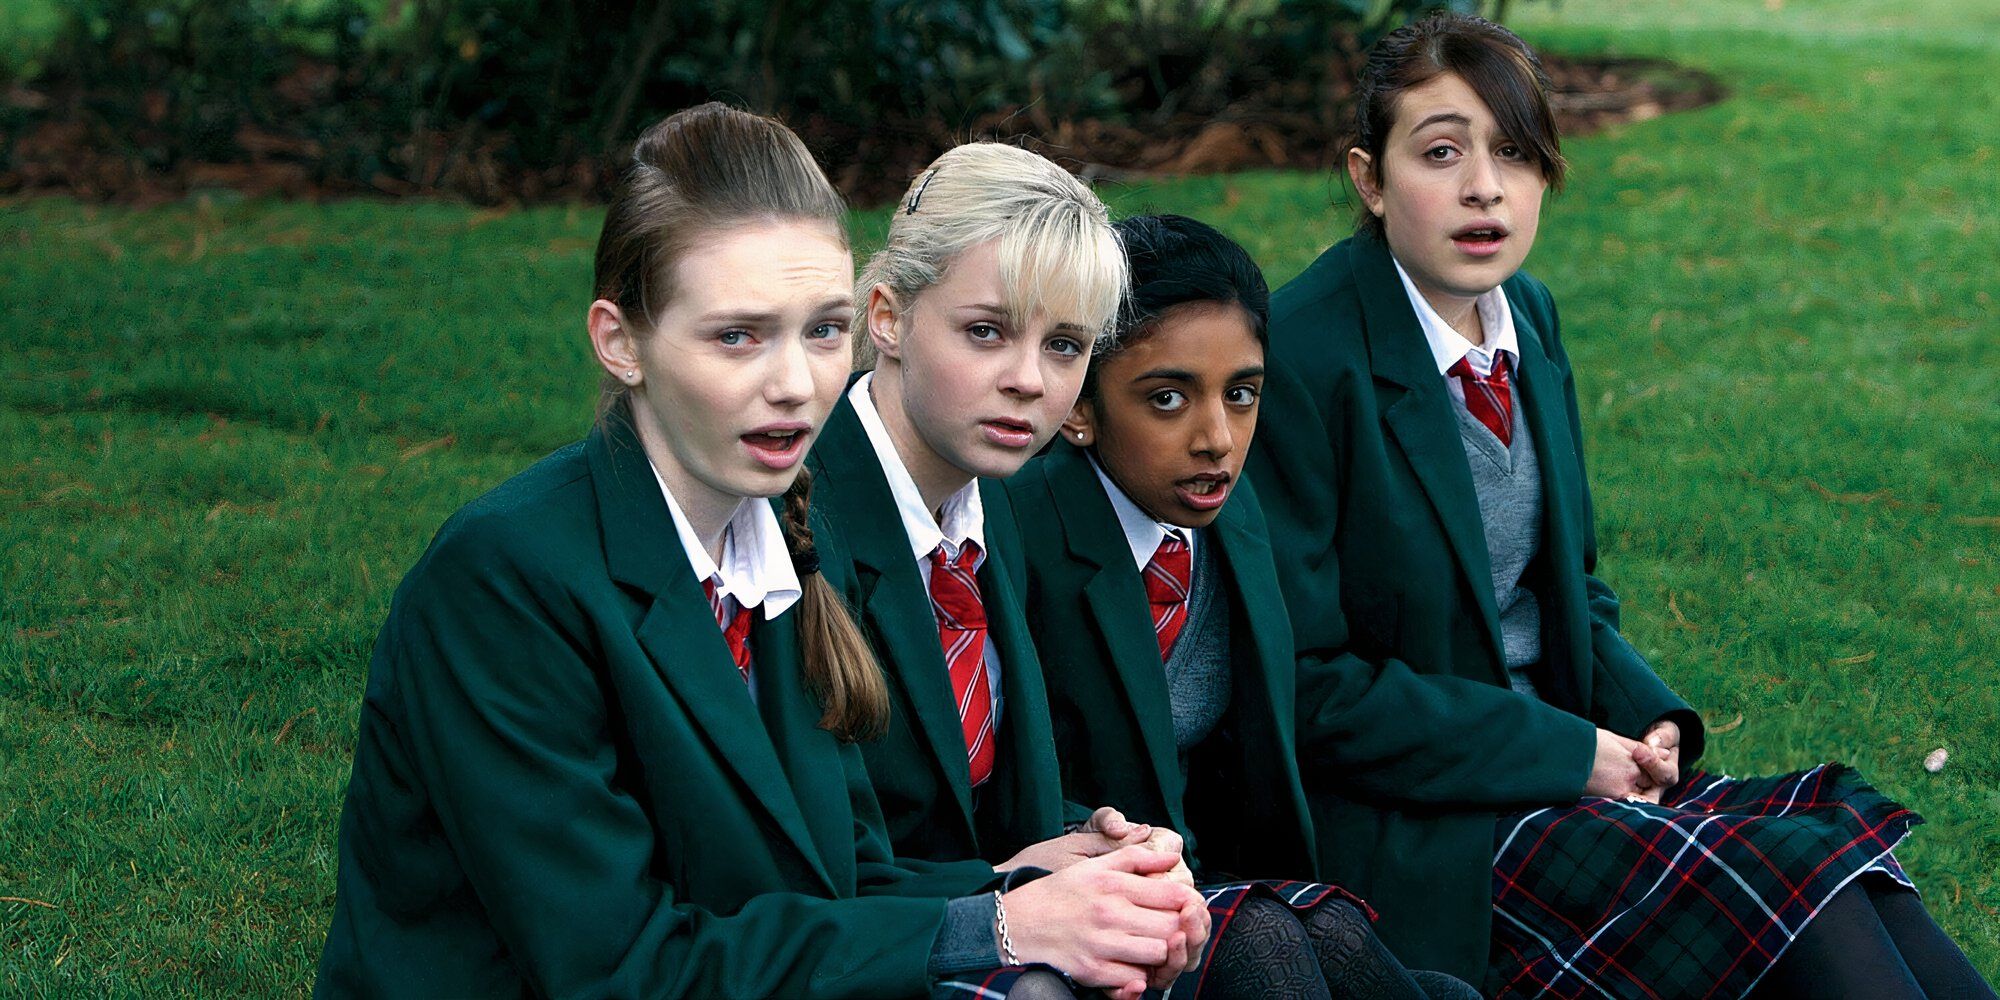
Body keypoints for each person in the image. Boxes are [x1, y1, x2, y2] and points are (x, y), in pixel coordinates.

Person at [315, 103, 1200, 1000]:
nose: (794, 385)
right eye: (738, 336)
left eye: (820, 330)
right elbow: (616, 969)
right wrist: (1002, 927)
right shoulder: (504, 581)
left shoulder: (772, 537)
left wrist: (1049, 886)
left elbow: (837, 885)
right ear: (620, 342)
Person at [1248, 14, 1995, 999]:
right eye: (1440, 153)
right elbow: (1313, 692)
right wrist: (1570, 752)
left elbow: (1569, 591)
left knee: (1845, 868)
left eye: (1514, 154)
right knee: (1791, 887)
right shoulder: (1302, 358)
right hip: (1419, 833)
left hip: (1559, 767)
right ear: (1368, 178)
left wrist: (1646, 720)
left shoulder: (1529, 317)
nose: (1484, 186)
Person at [1004, 212, 1481, 1000]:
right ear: (1079, 408)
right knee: (1267, 943)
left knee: (1382, 957)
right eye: (1167, 399)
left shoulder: (1230, 516)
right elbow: (1003, 782)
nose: (1218, 438)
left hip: (1206, 879)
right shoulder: (1025, 533)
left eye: (1243, 393)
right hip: (1071, 898)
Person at [806, 142, 1212, 998]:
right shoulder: (800, 526)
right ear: (885, 315)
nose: (1028, 380)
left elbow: (984, 806)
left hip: (984, 916)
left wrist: (1091, 844)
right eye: (985, 331)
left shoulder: (994, 507)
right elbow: (820, 868)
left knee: (1302, 927)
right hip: (861, 954)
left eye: (1064, 346)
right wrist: (1017, 887)